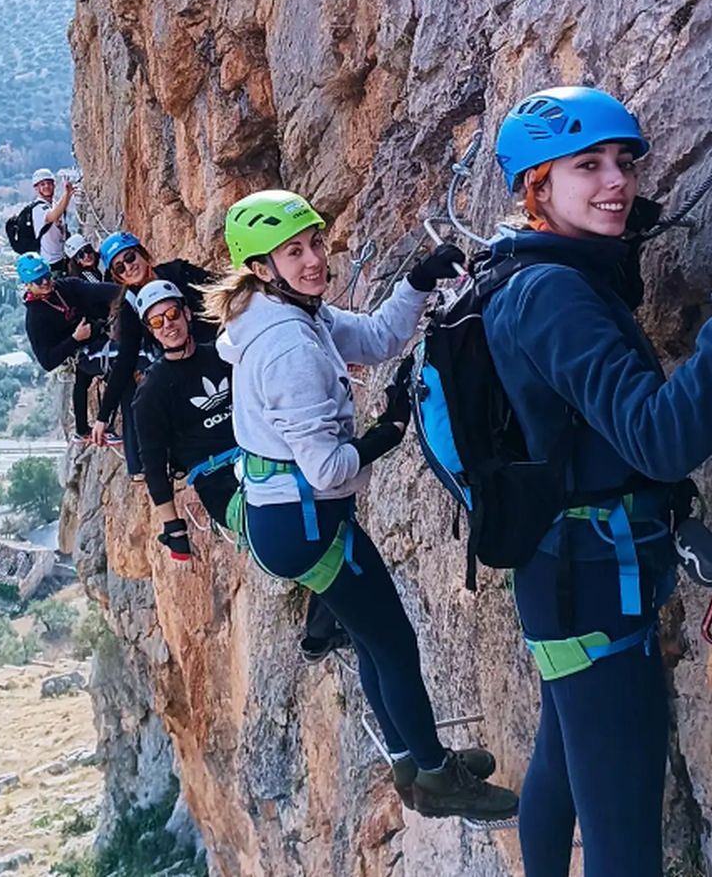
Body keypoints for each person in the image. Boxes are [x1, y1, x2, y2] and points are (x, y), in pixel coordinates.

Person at [481, 86, 712, 876]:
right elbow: (661, 437)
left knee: (562, 756)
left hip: (563, 573)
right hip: (592, 589)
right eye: (588, 166)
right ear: (538, 186)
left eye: (625, 163)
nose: (617, 182)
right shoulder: (553, 293)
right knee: (624, 836)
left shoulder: (527, 269)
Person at [209, 188, 516, 820]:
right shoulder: (289, 347)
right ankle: (437, 778)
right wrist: (388, 430)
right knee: (394, 643)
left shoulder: (290, 313)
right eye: (293, 252)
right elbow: (325, 468)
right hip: (305, 521)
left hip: (291, 515)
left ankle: (411, 763)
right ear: (262, 268)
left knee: (375, 640)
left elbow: (376, 338)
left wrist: (418, 282)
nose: (314, 260)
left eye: (315, 243)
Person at [130, 278, 350, 663]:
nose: (168, 325)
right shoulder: (152, 392)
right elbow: (153, 465)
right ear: (150, 331)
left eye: (172, 314)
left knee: (334, 514)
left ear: (186, 313)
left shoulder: (222, 354)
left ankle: (326, 627)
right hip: (221, 485)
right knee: (300, 537)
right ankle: (325, 630)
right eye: (157, 322)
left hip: (264, 455)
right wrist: (173, 527)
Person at [89, 231, 218, 480]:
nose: (129, 267)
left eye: (130, 257)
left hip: (218, 347)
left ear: (142, 253)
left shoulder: (178, 272)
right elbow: (125, 362)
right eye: (120, 267)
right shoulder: (131, 308)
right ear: (117, 276)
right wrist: (104, 416)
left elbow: (217, 287)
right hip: (185, 365)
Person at [15, 252, 119, 441]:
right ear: (27, 285)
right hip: (79, 351)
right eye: (38, 281)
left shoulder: (66, 287)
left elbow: (96, 290)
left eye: (47, 276)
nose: (46, 282)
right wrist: (75, 339)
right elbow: (47, 361)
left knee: (84, 380)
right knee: (118, 373)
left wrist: (129, 291)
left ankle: (83, 429)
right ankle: (104, 425)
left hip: (92, 339)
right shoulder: (35, 319)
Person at [30, 168, 73, 271]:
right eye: (42, 184)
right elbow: (54, 216)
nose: (47, 186)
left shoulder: (53, 204)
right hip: (51, 261)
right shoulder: (38, 208)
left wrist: (68, 194)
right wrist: (67, 194)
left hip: (62, 256)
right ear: (36, 188)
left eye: (49, 183)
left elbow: (60, 211)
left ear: (54, 185)